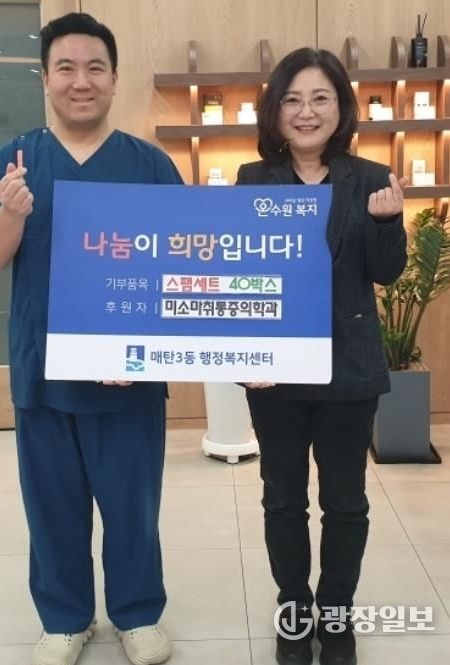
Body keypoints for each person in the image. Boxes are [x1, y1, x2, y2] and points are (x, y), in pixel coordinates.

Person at [0, 13, 182, 665]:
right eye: (65, 67)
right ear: (45, 78)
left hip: (129, 376)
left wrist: (141, 349)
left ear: (114, 78)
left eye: (94, 67)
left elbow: (178, 266)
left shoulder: (148, 164)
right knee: (52, 506)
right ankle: (64, 618)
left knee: (133, 506)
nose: (80, 81)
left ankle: (137, 615)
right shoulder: (15, 162)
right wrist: (10, 214)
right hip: (44, 372)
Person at [236, 48, 407, 665]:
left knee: (346, 503)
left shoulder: (372, 177)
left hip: (349, 368)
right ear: (275, 110)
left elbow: (386, 273)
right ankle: (293, 611)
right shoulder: (253, 180)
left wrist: (387, 224)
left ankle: (335, 615)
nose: (305, 112)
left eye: (319, 98)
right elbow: (241, 274)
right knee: (282, 500)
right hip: (276, 375)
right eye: (292, 99)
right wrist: (247, 358)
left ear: (341, 108)